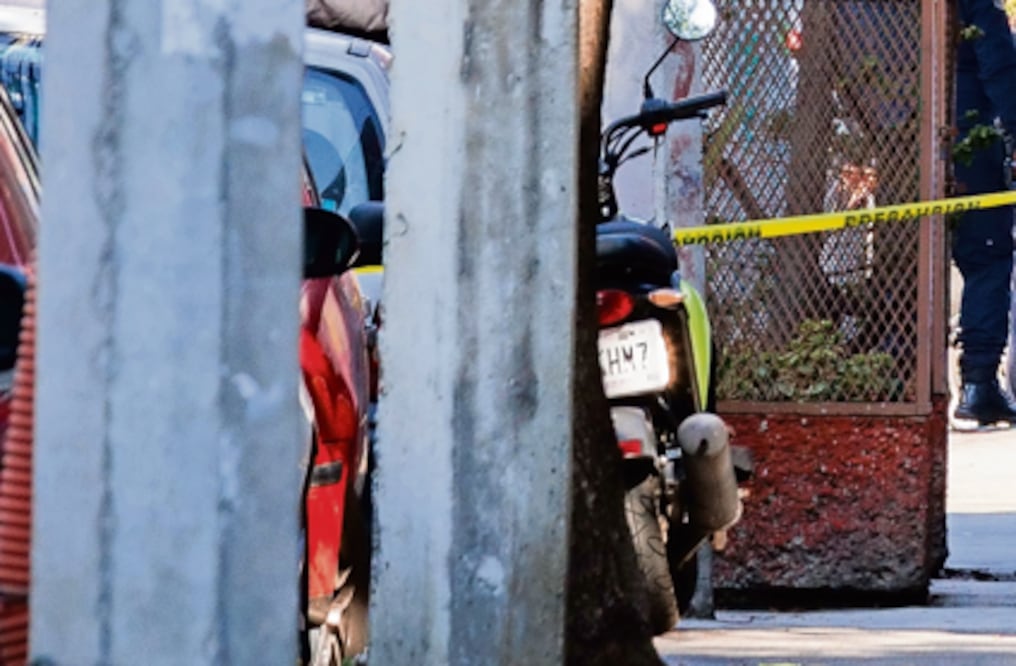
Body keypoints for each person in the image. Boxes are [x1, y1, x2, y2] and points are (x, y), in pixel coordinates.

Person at [952, 0, 1016, 425]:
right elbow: (999, 65)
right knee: (988, 257)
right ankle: (978, 382)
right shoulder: (976, 6)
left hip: (900, 141)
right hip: (971, 141)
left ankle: (898, 368)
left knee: (906, 259)